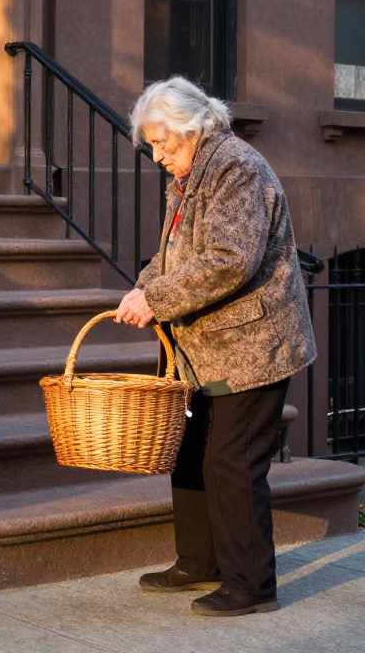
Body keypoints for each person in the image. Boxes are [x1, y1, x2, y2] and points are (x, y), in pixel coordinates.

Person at [115, 76, 316, 617]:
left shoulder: (234, 167)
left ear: (194, 129)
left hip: (253, 346)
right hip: (206, 347)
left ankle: (252, 586)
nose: (157, 156)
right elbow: (174, 252)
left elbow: (230, 260)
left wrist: (156, 298)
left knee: (232, 462)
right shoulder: (189, 174)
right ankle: (198, 562)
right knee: (191, 450)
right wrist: (144, 286)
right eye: (153, 145)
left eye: (164, 143)